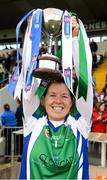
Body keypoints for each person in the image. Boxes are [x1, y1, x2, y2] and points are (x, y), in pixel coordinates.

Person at [12, 10, 93, 180]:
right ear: (42, 99)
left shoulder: (80, 124)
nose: (58, 100)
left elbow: (85, 86)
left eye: (65, 96)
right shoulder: (33, 121)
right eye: (52, 95)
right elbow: (29, 78)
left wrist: (75, 40)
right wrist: (31, 37)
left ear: (72, 101)